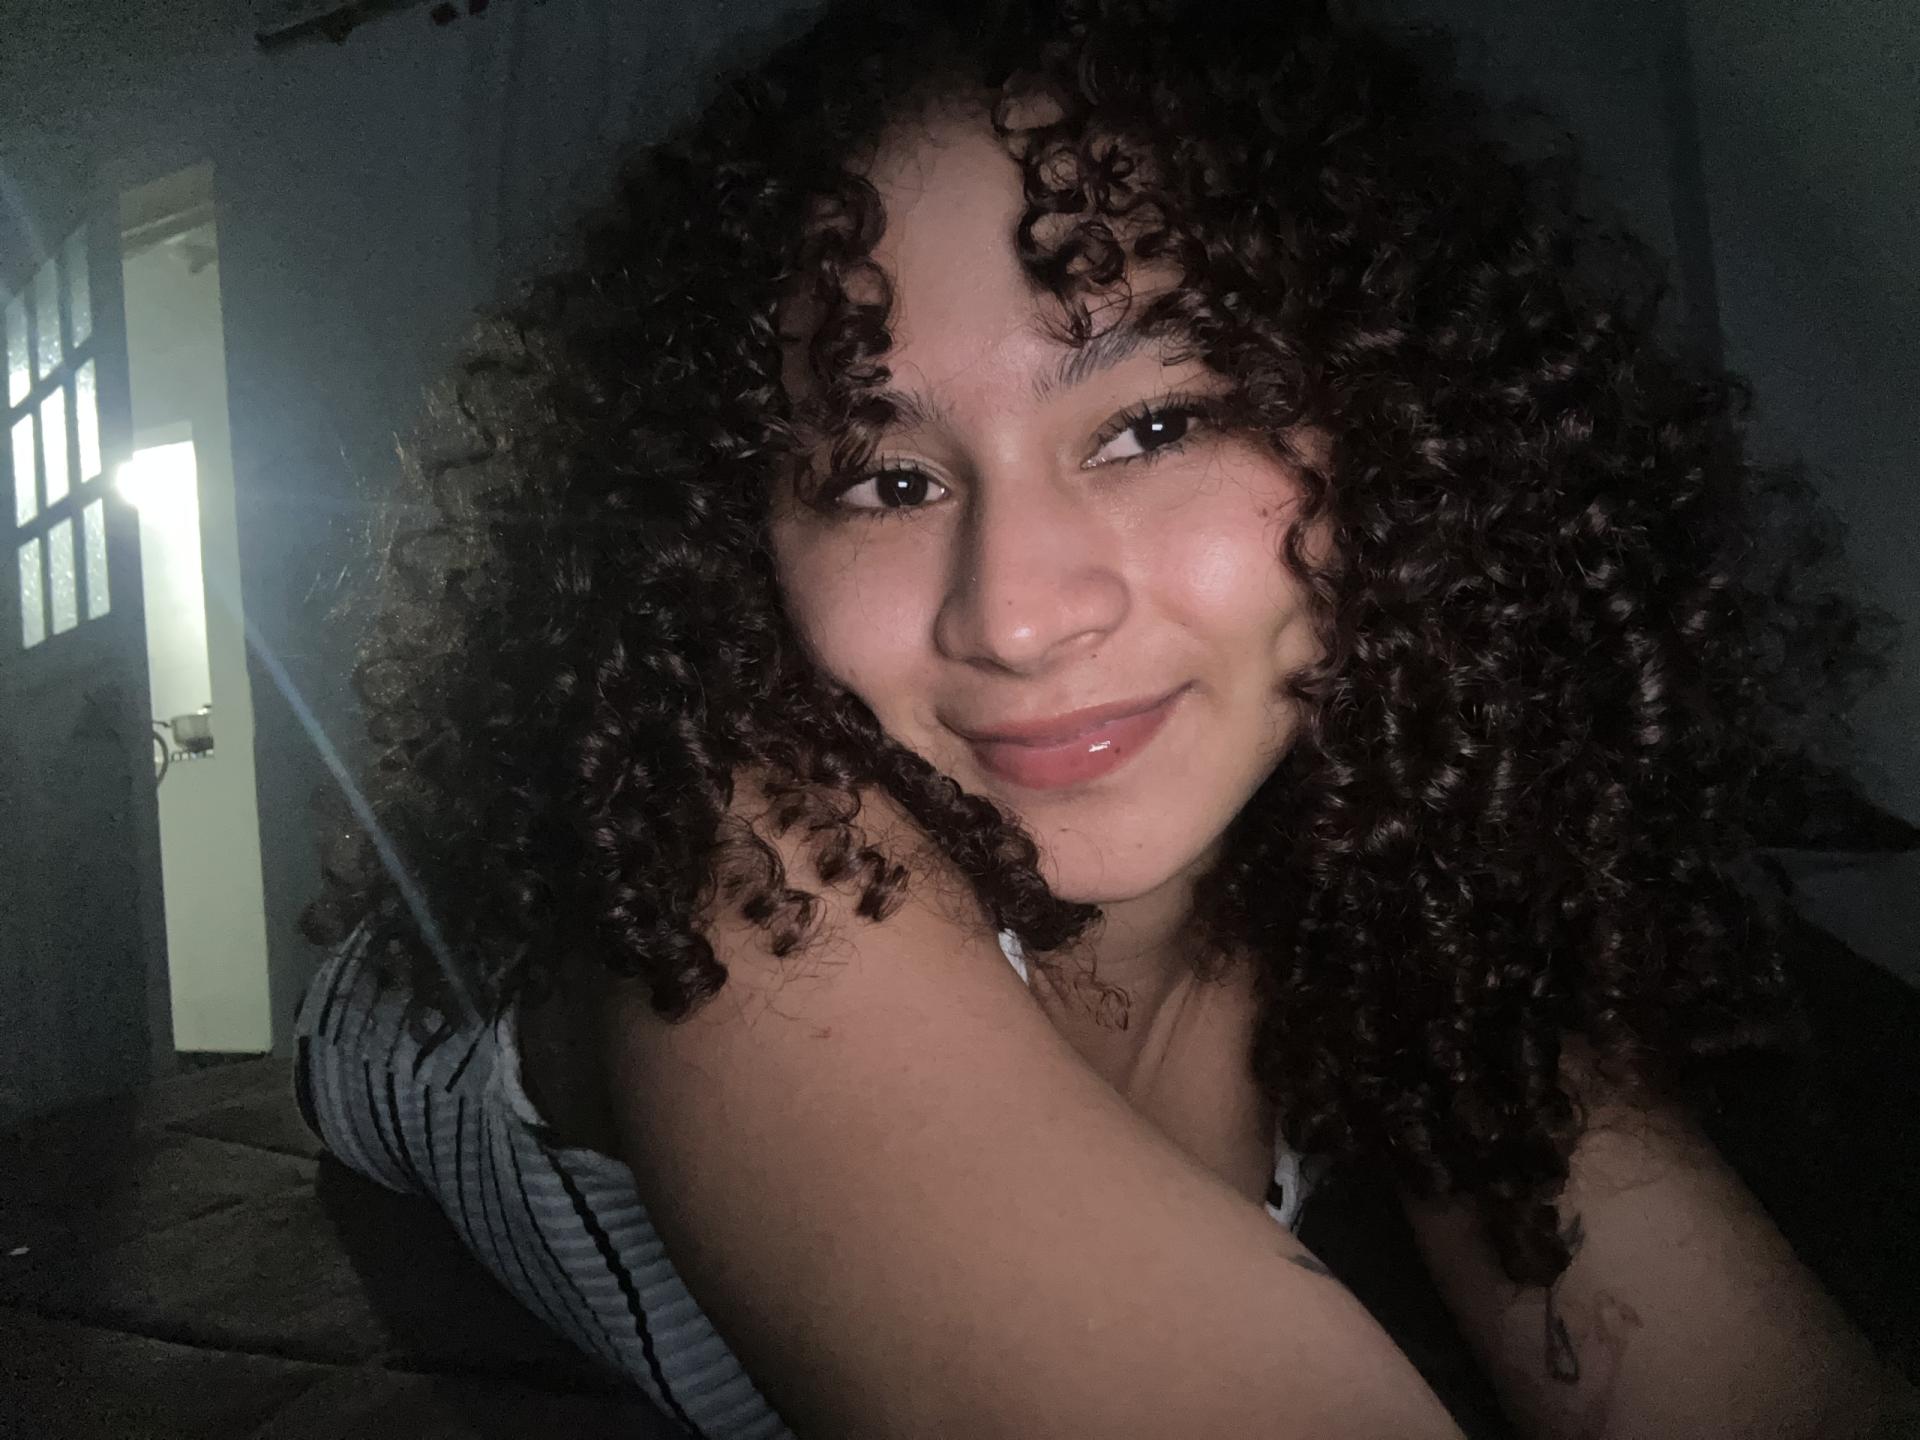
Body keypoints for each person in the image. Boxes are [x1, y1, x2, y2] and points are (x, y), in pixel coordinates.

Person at [295, 1, 1916, 1435]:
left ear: (1402, 429)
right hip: (421, 1005)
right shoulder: (760, 866)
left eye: (1155, 425)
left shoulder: (1404, 851)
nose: (1015, 616)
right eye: (887, 479)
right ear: (733, 543)